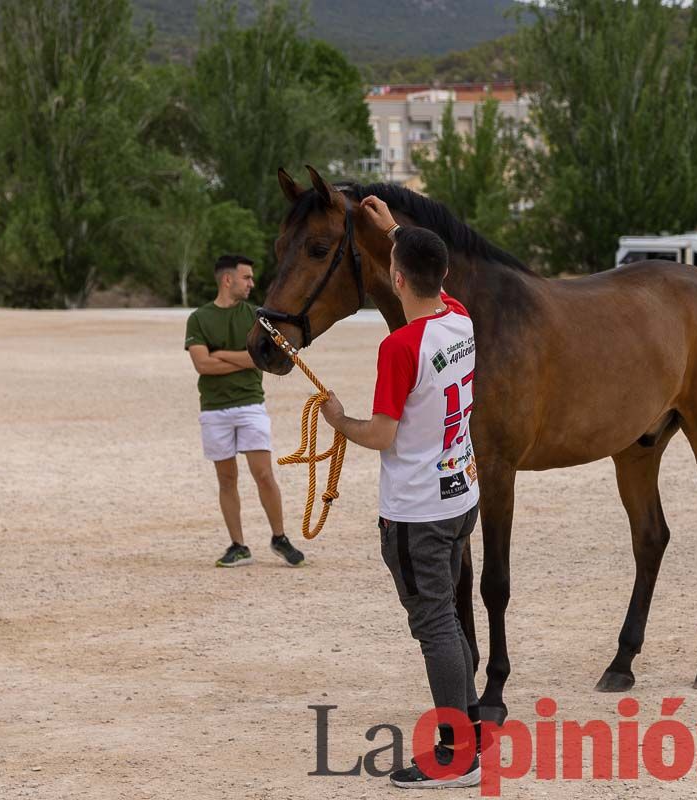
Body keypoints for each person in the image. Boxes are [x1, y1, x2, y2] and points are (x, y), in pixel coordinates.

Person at [320, 196, 482, 789]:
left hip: (418, 510)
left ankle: (456, 753)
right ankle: (469, 733)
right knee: (451, 622)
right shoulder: (459, 318)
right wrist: (395, 233)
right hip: (461, 497)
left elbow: (382, 434)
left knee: (436, 624)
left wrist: (338, 420)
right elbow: (430, 270)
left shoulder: (400, 348)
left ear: (393, 277)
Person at [185, 254, 305, 567]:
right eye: (246, 277)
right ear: (228, 280)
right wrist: (239, 357)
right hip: (214, 410)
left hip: (251, 405)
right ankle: (238, 545)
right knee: (227, 479)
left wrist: (221, 354)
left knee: (264, 474)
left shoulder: (258, 318)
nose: (252, 283)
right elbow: (202, 364)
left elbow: (259, 359)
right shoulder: (199, 318)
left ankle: (279, 537)